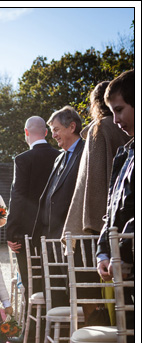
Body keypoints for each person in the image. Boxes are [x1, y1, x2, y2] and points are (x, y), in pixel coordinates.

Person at [81, 70, 135, 343]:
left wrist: (125, 247)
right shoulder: (125, 152)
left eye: (120, 110)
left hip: (132, 257)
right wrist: (104, 250)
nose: (116, 119)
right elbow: (112, 213)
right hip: (122, 263)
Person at [31, 106, 85, 343]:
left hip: (73, 236)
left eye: (56, 130)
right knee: (56, 292)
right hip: (53, 237)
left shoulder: (86, 152)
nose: (53, 135)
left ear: (72, 127)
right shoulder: (59, 157)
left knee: (72, 293)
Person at [6, 116, 60, 343]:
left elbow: (17, 196)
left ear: (26, 133)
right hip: (57, 231)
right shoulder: (61, 156)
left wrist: (11, 231)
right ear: (46, 133)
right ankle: (56, 333)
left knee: (30, 281)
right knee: (55, 280)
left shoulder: (23, 159)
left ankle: (31, 335)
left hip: (28, 233)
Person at [62, 81, 130, 239]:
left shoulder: (100, 127)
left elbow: (94, 179)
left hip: (105, 221)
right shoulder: (121, 126)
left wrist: (93, 220)